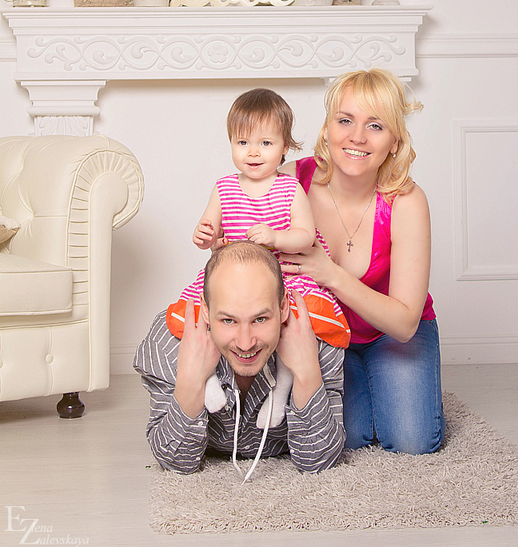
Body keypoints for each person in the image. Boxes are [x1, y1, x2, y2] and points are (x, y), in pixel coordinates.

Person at [278, 68, 445, 455]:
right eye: (345, 120)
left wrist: (330, 274)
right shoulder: (291, 181)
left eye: (375, 125)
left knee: (411, 440)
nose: (357, 137)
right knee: (348, 438)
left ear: (394, 141)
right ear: (327, 129)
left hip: (392, 334)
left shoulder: (407, 201)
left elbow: (404, 323)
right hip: (324, 335)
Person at [166, 88, 350, 426]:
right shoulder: (224, 188)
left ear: (285, 147)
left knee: (295, 325)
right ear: (231, 144)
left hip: (283, 276)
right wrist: (204, 236)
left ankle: (282, 392)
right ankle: (207, 381)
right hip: (233, 282)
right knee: (194, 317)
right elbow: (210, 231)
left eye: (265, 143)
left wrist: (277, 237)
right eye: (243, 142)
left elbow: (306, 235)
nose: (253, 152)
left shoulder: (290, 188)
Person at [134, 241, 345, 478]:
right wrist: (190, 380)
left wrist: (307, 373)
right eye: (228, 321)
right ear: (206, 311)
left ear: (283, 306)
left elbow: (319, 460)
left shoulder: (320, 338)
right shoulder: (168, 343)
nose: (245, 344)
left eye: (260, 319)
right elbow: (175, 462)